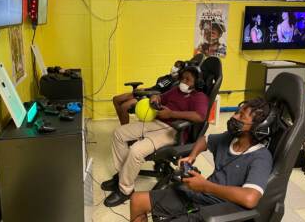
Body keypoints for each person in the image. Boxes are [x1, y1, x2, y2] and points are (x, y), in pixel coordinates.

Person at [130, 97, 273, 222]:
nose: (234, 117)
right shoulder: (229, 138)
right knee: (137, 200)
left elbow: (250, 199)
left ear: (257, 127)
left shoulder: (261, 157)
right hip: (200, 195)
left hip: (218, 209)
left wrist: (206, 186)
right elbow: (204, 140)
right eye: (237, 112)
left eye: (241, 116)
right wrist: (192, 156)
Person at [102, 67, 209, 207]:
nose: (184, 81)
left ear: (197, 82)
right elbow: (160, 96)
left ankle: (125, 190)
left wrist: (171, 115)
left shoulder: (199, 97)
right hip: (156, 122)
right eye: (183, 78)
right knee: (119, 133)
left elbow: (200, 116)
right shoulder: (176, 90)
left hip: (174, 130)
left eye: (188, 79)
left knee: (136, 150)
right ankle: (122, 176)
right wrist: (155, 98)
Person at [113, 60, 185, 125]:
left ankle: (125, 131)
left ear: (181, 71)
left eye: (177, 66)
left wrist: (148, 93)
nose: (174, 67)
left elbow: (164, 96)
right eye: (174, 65)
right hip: (147, 92)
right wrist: (144, 89)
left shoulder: (176, 83)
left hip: (150, 97)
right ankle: (123, 125)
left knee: (124, 106)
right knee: (116, 99)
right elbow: (155, 87)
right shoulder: (165, 77)